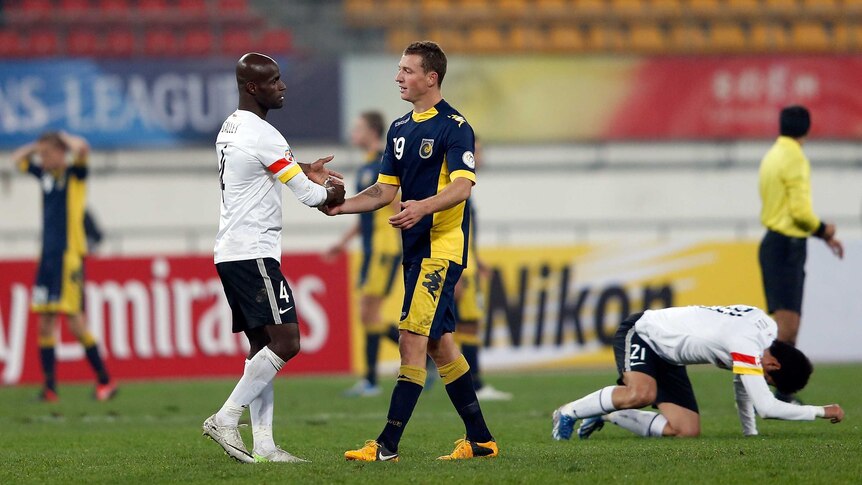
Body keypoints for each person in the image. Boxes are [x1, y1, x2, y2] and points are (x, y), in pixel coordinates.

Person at [322, 41, 498, 462]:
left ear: (431, 77)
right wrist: (341, 205)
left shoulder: (455, 126)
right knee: (440, 345)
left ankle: (386, 446)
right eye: (399, 69)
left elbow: (462, 185)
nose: (398, 76)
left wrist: (422, 205)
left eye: (407, 70)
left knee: (411, 339)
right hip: (415, 251)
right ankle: (481, 440)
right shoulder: (400, 128)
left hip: (441, 248)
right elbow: (384, 190)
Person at [201, 52, 345, 464]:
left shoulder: (232, 126)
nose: (282, 86)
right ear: (253, 87)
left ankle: (264, 444)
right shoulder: (265, 134)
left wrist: (301, 167)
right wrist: (332, 193)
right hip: (254, 253)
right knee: (287, 341)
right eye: (275, 80)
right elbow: (311, 196)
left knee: (262, 347)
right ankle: (226, 418)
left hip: (230, 252)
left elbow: (259, 167)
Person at [551, 305, 844, 441]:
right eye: (768, 379)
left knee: (686, 431)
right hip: (644, 332)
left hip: (671, 355)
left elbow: (742, 385)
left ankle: (605, 413)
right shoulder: (745, 344)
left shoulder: (764, 327)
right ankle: (566, 412)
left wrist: (750, 434)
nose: (763, 380)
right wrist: (821, 411)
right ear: (774, 366)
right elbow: (766, 407)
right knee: (641, 394)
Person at [11, 131, 116, 402]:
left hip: (69, 258)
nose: (42, 159)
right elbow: (17, 159)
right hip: (47, 257)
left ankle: (105, 381)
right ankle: (50, 388)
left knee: (75, 323)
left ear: (61, 153)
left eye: (48, 154)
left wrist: (60, 139)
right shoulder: (45, 177)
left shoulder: (74, 176)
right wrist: (39, 147)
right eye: (41, 155)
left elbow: (83, 148)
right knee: (45, 323)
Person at [758, 105, 843, 401]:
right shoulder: (795, 157)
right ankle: (771, 392)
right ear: (807, 128)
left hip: (775, 242)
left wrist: (820, 234)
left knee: (786, 329)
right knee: (787, 329)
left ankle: (779, 392)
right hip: (787, 245)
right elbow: (800, 212)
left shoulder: (772, 155)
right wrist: (824, 229)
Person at [328, 111, 402, 398]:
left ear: (372, 131)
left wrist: (409, 240)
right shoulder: (366, 166)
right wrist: (342, 243)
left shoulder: (384, 163)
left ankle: (372, 379)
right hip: (373, 248)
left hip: (384, 248)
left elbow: (395, 203)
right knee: (368, 314)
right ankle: (420, 357)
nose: (352, 133)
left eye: (358, 128)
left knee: (368, 312)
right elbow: (366, 213)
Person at [453, 137, 511, 401]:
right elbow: (453, 230)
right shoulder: (458, 188)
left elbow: (465, 231)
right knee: (468, 326)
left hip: (469, 264)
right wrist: (460, 270)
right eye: (477, 150)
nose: (481, 155)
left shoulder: (463, 188)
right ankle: (475, 384)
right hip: (463, 268)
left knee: (466, 326)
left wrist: (477, 257)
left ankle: (472, 383)